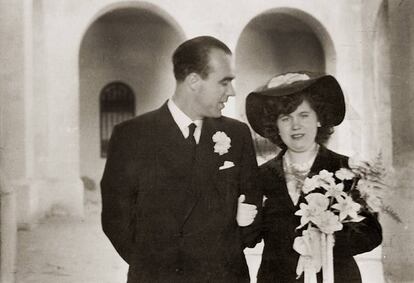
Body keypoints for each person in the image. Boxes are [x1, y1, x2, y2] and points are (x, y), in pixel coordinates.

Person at [100, 36, 261, 283]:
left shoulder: (236, 134)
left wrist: (222, 255)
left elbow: (252, 204)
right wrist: (156, 267)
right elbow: (116, 219)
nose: (232, 92)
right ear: (194, 81)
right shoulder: (131, 135)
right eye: (224, 82)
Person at [244, 72, 383, 283]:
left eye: (304, 115)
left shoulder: (347, 169)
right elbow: (250, 237)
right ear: (276, 127)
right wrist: (240, 219)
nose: (295, 125)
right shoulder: (260, 176)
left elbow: (371, 234)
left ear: (319, 119)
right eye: (285, 118)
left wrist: (329, 238)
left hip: (335, 278)